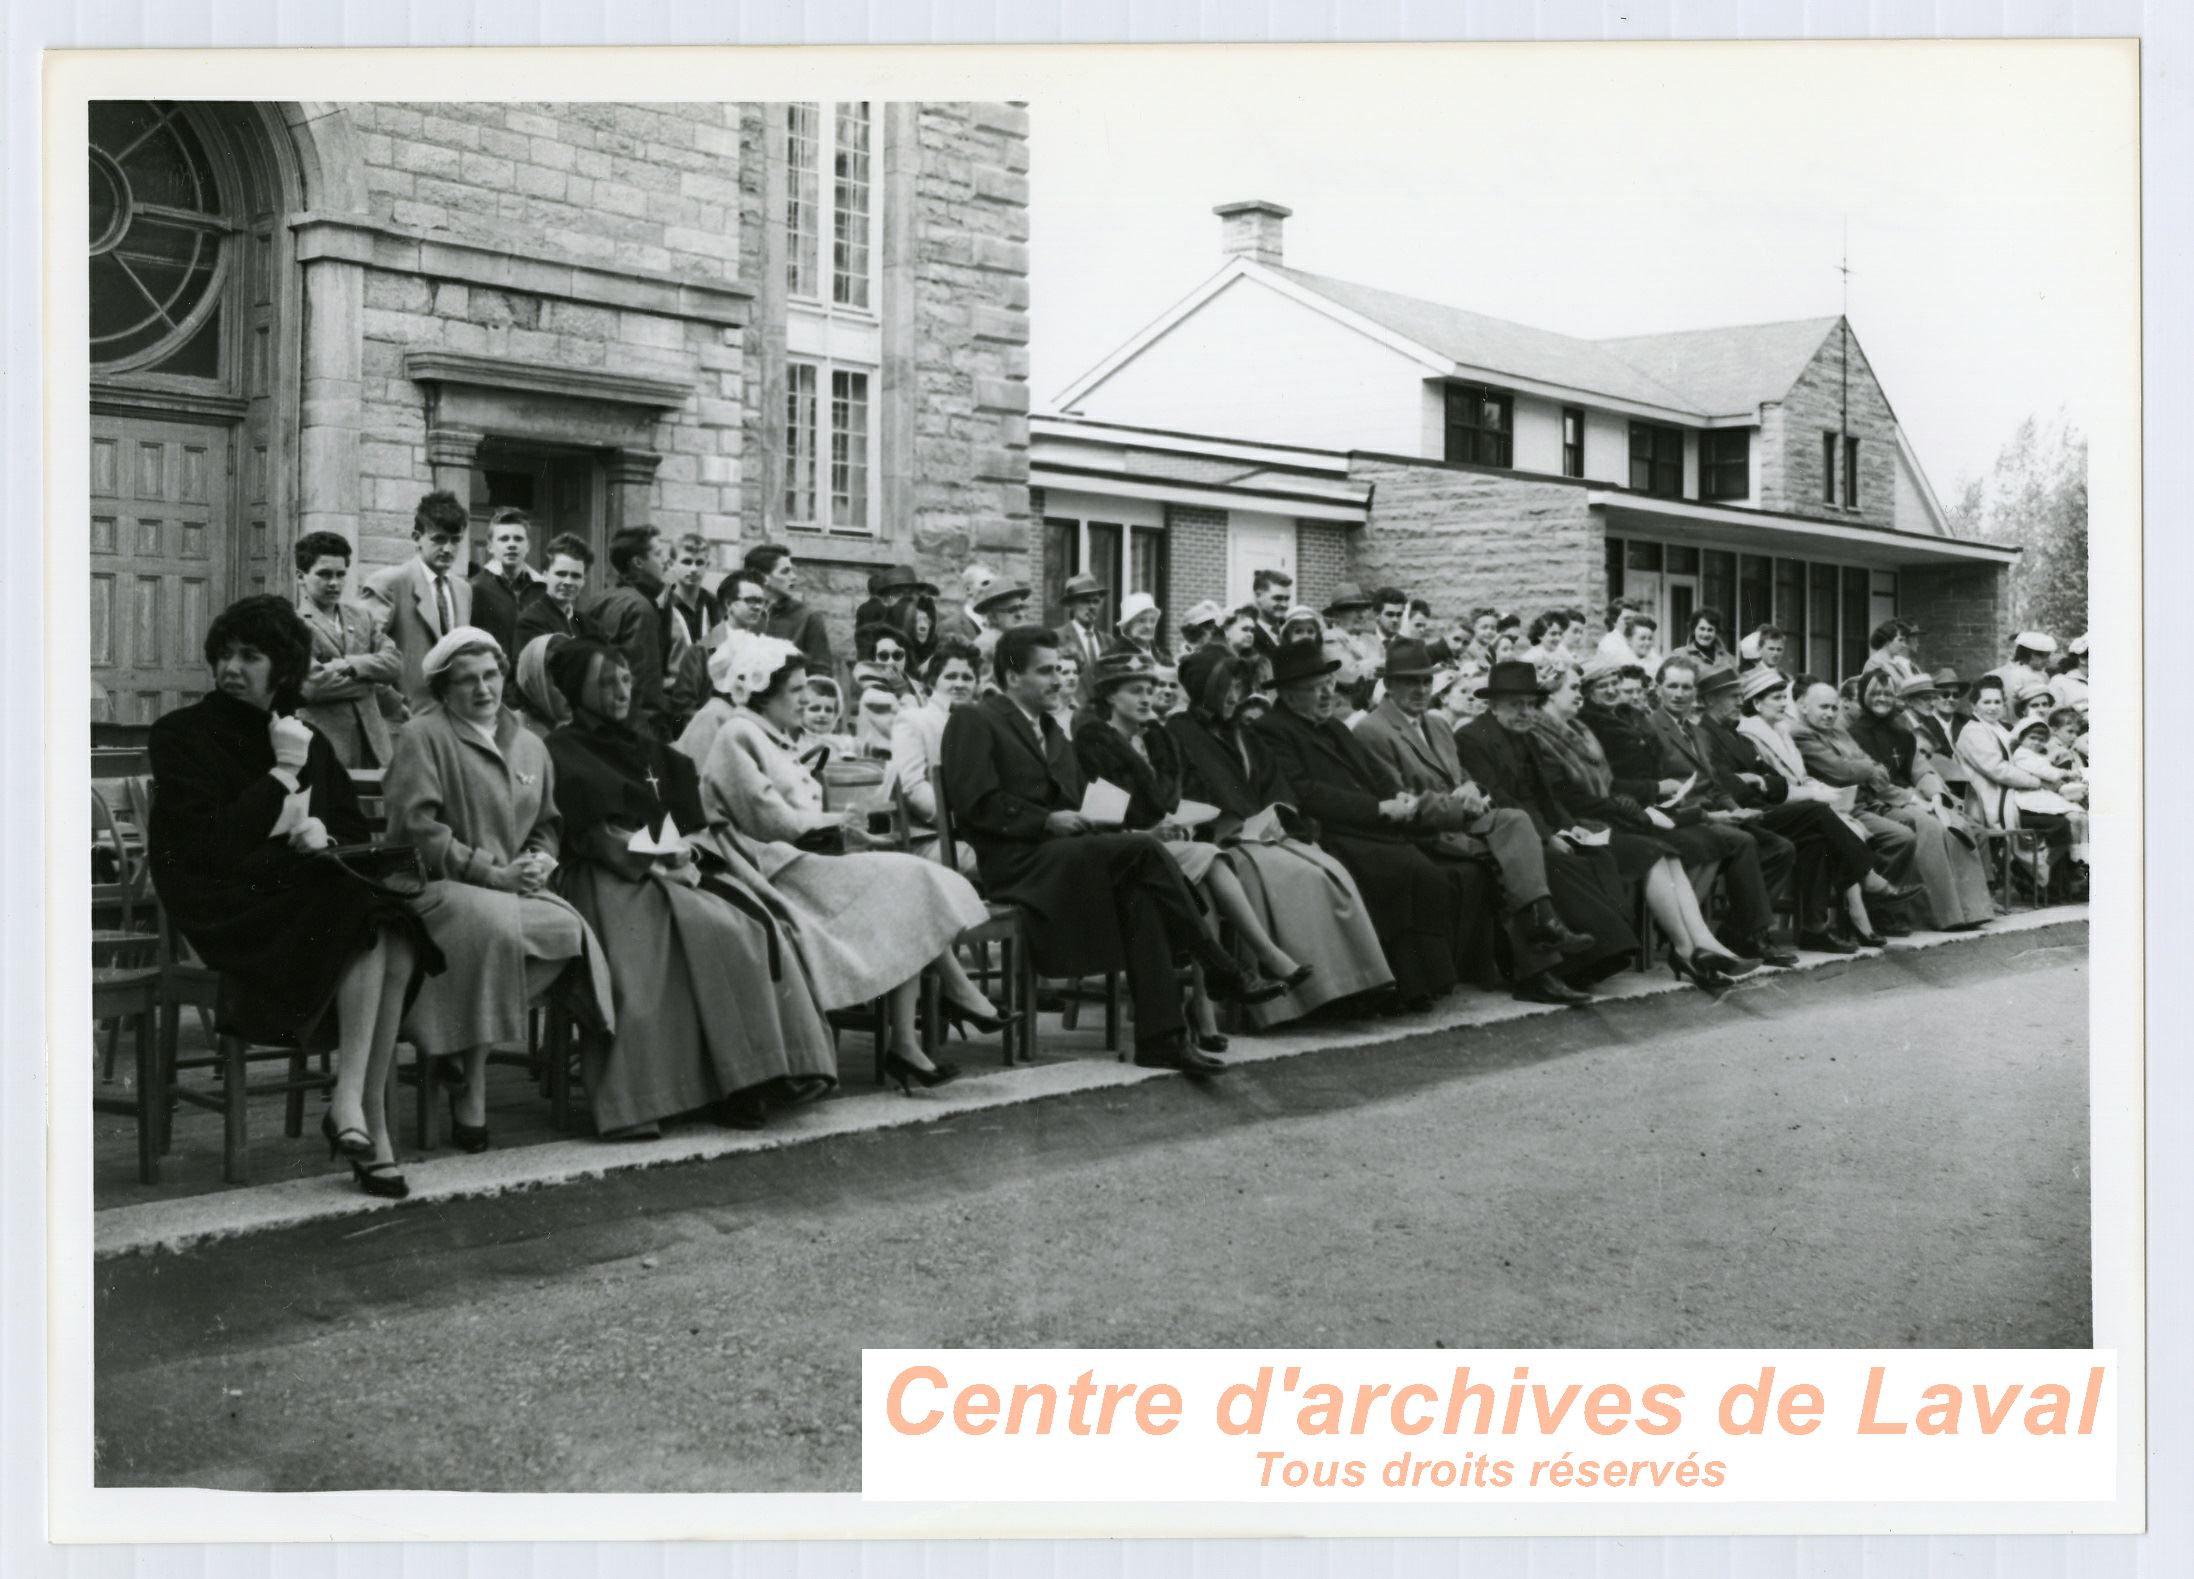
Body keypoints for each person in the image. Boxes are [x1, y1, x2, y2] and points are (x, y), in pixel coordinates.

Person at [147, 595, 439, 1197]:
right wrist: (279, 779)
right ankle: (360, 1117)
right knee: (366, 914)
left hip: (292, 898)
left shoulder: (304, 736)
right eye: (224, 654)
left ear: (280, 666)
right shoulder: (182, 735)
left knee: (397, 927)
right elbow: (206, 847)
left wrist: (321, 835)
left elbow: (353, 835)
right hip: (223, 905)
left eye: (250, 656)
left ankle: (358, 1112)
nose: (232, 667)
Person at [941, 625, 1275, 1072]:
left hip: (1066, 857)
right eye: (1045, 672)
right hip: (1018, 866)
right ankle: (1217, 964)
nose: (1058, 681)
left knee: (1141, 889)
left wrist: (1136, 828)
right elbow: (973, 802)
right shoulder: (975, 719)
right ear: (1011, 675)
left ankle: (1162, 1040)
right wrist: (1045, 820)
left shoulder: (1053, 733)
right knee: (1139, 856)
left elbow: (1083, 803)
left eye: (1060, 670)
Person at [543, 638, 839, 1134]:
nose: (618, 691)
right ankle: (655, 1096)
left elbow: (686, 817)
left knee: (746, 927)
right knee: (669, 945)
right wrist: (656, 854)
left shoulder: (644, 744)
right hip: (605, 873)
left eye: (623, 679)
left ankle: (756, 1075)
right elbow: (591, 832)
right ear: (578, 690)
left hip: (668, 864)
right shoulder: (561, 749)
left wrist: (677, 853)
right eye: (603, 682)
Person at [693, 631, 1008, 1091]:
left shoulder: (771, 735)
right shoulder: (738, 734)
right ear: (764, 691)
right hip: (770, 869)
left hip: (800, 858)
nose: (805, 700)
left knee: (907, 889)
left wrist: (840, 827)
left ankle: (908, 1042)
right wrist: (836, 819)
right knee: (909, 877)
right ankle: (956, 996)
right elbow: (770, 819)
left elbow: (792, 815)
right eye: (797, 690)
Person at [382, 628, 615, 1151]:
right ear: (444, 690)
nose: (482, 689)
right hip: (437, 889)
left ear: (504, 677)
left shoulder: (530, 744)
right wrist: (491, 873)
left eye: (490, 676)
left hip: (513, 891)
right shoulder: (423, 736)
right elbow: (417, 830)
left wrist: (539, 861)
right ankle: (474, 1089)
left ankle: (457, 1053)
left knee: (568, 934)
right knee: (492, 929)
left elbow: (548, 822)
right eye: (466, 681)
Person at [1356, 640, 1630, 1002]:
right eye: (1410, 682)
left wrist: (1471, 786)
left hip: (1464, 821)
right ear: (1388, 685)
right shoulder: (1372, 731)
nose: (1421, 690)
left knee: (1515, 822)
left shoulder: (1436, 725)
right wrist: (1458, 803)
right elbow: (1397, 800)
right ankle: (1540, 962)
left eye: (1426, 682)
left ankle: (1543, 927)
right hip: (1426, 832)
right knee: (1512, 853)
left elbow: (1463, 775)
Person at [1075, 650, 1312, 1046]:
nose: (1147, 698)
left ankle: (1202, 1007)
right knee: (1210, 860)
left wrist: (1182, 827)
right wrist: (1149, 831)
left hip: (1171, 847)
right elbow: (1097, 807)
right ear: (1110, 697)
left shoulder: (1160, 739)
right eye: (1135, 691)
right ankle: (1264, 958)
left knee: (1203, 873)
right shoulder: (1093, 741)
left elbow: (1195, 798)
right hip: (1124, 849)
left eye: (1150, 689)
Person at [1253, 641, 1498, 1011]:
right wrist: (1377, 808)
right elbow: (1306, 792)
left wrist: (1396, 798)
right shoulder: (1272, 730)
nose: (1325, 694)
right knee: (1399, 871)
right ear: (1287, 695)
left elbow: (1370, 773)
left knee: (1427, 874)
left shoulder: (1334, 728)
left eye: (1329, 685)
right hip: (1328, 830)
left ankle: (1425, 982)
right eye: (1313, 688)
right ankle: (1393, 987)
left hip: (1371, 824)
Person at [1165, 646, 1397, 1024]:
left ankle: (1349, 984)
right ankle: (1307, 994)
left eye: (1239, 688)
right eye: (1226, 688)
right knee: (1301, 876)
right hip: (1221, 840)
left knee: (1330, 871)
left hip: (1262, 833)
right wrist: (1232, 823)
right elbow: (1184, 793)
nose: (1234, 698)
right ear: (1203, 690)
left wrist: (1277, 814)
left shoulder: (1242, 732)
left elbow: (1276, 784)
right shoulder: (1178, 732)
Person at [1510, 666, 1753, 991]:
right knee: (1653, 849)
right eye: (1573, 689)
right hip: (1581, 824)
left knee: (1666, 853)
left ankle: (1703, 944)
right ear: (1550, 696)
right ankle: (1685, 948)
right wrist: (1633, 809)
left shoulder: (1580, 729)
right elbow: (1569, 797)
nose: (1580, 696)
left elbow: (1609, 785)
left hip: (1605, 817)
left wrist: (1643, 796)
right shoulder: (1541, 736)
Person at [1569, 658, 1776, 972]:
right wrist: (1657, 790)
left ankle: (1697, 943)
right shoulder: (1593, 724)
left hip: (1650, 806)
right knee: (1702, 841)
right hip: (1628, 811)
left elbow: (1712, 780)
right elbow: (1609, 783)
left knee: (1713, 841)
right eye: (1602, 685)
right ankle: (1686, 942)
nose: (1612, 690)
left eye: (1615, 682)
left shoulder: (1627, 716)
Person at [1639, 656, 1801, 964]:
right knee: (1743, 842)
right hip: (1681, 818)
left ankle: (1738, 930)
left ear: (1695, 694)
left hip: (1716, 816)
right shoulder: (1651, 729)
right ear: (1658, 688)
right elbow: (1657, 788)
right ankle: (1754, 936)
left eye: (1686, 687)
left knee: (1781, 848)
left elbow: (1714, 785)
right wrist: (1715, 815)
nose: (1679, 693)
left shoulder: (1699, 733)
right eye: (1672, 686)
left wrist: (1736, 809)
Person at [1839, 668, 1997, 930]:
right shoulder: (1854, 734)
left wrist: (1934, 794)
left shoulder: (1902, 732)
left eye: (1887, 693)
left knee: (1958, 825)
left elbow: (1919, 768)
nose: (1882, 698)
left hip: (1912, 800)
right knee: (1930, 827)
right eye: (1875, 693)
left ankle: (1971, 911)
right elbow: (1875, 782)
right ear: (1864, 697)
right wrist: (1912, 799)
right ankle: (1943, 915)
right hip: (1876, 803)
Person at [1778, 680, 1932, 941]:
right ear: (1803, 707)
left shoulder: (1837, 731)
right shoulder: (1801, 734)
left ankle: (1881, 911)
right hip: (1833, 810)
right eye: (1823, 707)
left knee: (1904, 829)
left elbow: (1873, 766)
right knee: (1899, 836)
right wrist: (1864, 768)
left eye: (1834, 708)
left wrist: (1862, 767)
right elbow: (1839, 771)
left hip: (1856, 803)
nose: (1829, 714)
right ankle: (1872, 909)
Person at [292, 530, 404, 769]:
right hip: (324, 746)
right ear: (301, 577)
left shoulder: (362, 617)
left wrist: (350, 665)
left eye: (340, 574)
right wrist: (372, 679)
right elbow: (311, 686)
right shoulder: (292, 624)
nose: (334, 583)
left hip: (373, 746)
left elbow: (395, 662)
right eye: (324, 574)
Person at [1956, 676, 2075, 893]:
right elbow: (1997, 769)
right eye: (1986, 702)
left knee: (2070, 818)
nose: (1993, 707)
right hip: (1992, 799)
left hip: (2016, 794)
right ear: (1974, 705)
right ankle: (2035, 877)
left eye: (1997, 702)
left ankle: (2053, 884)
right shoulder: (1973, 731)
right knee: (2059, 824)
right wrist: (2037, 782)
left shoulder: (2001, 727)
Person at [361, 490, 474, 709]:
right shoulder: (389, 584)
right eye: (439, 539)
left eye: (455, 540)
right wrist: (395, 704)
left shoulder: (463, 590)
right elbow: (363, 653)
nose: (448, 549)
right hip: (404, 719)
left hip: (451, 716)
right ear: (416, 538)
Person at [890, 637, 983, 872]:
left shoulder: (982, 723)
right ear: (933, 681)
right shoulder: (914, 720)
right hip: (931, 837)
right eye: (950, 676)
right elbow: (912, 786)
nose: (959, 684)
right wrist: (959, 822)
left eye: (967, 677)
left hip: (980, 835)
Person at [586, 524, 678, 738]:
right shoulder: (641, 608)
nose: (665, 560)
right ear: (637, 563)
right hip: (632, 729)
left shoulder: (600, 599)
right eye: (657, 553)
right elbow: (643, 685)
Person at [467, 508, 545, 665]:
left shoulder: (542, 589)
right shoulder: (475, 588)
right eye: (504, 539)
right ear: (490, 546)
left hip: (532, 679)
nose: (511, 545)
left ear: (528, 545)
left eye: (518, 539)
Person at [743, 543, 834, 676]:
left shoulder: (808, 617)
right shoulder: (737, 614)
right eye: (785, 571)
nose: (793, 577)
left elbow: (820, 675)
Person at [515, 533, 597, 650]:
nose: (568, 582)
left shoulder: (589, 625)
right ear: (545, 575)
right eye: (561, 574)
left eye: (576, 576)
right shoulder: (530, 622)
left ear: (583, 580)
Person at [661, 532, 723, 652]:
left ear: (707, 565)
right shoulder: (661, 606)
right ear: (671, 564)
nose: (693, 569)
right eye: (687, 562)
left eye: (699, 563)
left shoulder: (715, 605)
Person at [1054, 571, 1110, 686]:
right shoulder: (1056, 638)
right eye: (1085, 601)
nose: (1092, 607)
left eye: (1095, 601)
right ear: (1071, 605)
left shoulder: (1108, 641)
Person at [1984, 631, 2058, 702]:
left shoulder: (1992, 674)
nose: (2048, 661)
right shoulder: (2035, 677)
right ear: (2033, 656)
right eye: (2046, 657)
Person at [940, 563, 996, 644]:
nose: (994, 589)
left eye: (995, 584)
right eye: (986, 583)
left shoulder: (1001, 623)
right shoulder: (950, 626)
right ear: (968, 590)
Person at [1109, 591, 1168, 663]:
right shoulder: (1114, 657)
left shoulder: (1162, 656)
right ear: (1127, 626)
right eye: (1141, 620)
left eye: (1152, 620)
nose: (1148, 626)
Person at [1249, 567, 1294, 660]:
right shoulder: (1247, 634)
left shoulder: (1293, 629)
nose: (1284, 605)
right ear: (1258, 596)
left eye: (1287, 599)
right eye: (1278, 598)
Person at [1861, 619, 1923, 685]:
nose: (1904, 645)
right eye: (1900, 640)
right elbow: (1875, 692)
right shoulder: (1874, 663)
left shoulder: (1897, 664)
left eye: (1904, 640)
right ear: (1887, 641)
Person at [1677, 609, 1733, 677]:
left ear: (1716, 632)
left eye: (1710, 630)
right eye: (1702, 629)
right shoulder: (1680, 655)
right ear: (1693, 630)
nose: (1706, 634)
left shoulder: (1728, 658)